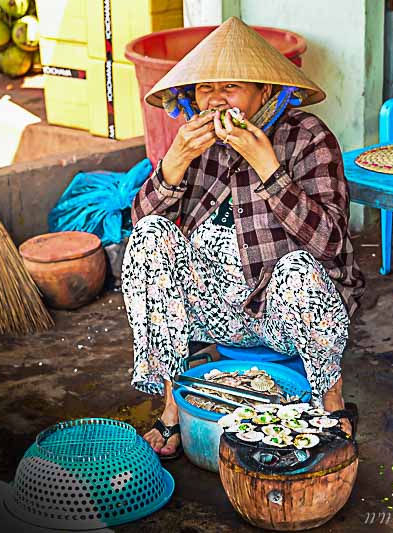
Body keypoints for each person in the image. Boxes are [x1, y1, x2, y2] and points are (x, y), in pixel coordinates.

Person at [122, 17, 365, 460]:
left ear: (266, 92)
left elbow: (331, 243)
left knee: (297, 269)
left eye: (230, 87)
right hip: (213, 312)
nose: (214, 101)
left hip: (284, 314)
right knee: (151, 235)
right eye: (204, 89)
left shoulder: (309, 138)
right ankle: (172, 409)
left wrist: (268, 167)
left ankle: (332, 405)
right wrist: (174, 161)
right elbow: (138, 229)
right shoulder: (193, 142)